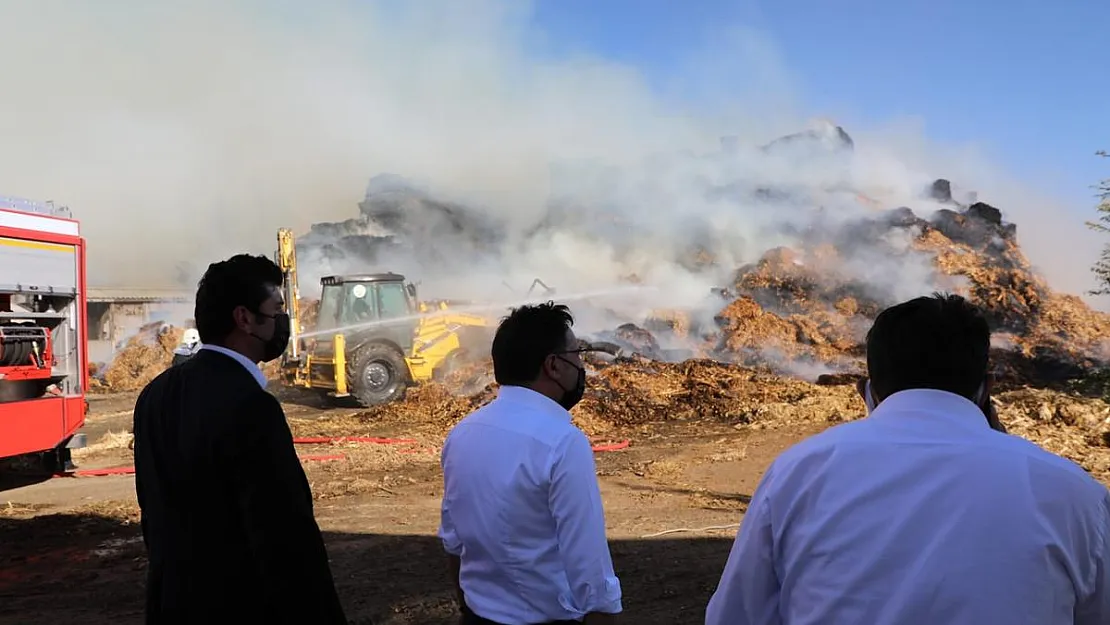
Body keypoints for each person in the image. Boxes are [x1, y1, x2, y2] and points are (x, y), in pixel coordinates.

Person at [705, 293, 1110, 625]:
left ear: (867, 390)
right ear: (987, 390)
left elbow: (736, 615)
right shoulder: (1075, 492)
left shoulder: (798, 471)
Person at [132, 254, 347, 624]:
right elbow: (285, 541)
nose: (283, 321)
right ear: (244, 318)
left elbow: (153, 516)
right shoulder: (251, 407)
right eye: (277, 309)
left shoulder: (155, 395)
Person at [438, 302, 622, 625]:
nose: (582, 364)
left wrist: (468, 611)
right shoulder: (564, 443)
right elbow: (590, 570)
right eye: (576, 352)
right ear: (553, 365)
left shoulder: (462, 434)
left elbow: (454, 542)